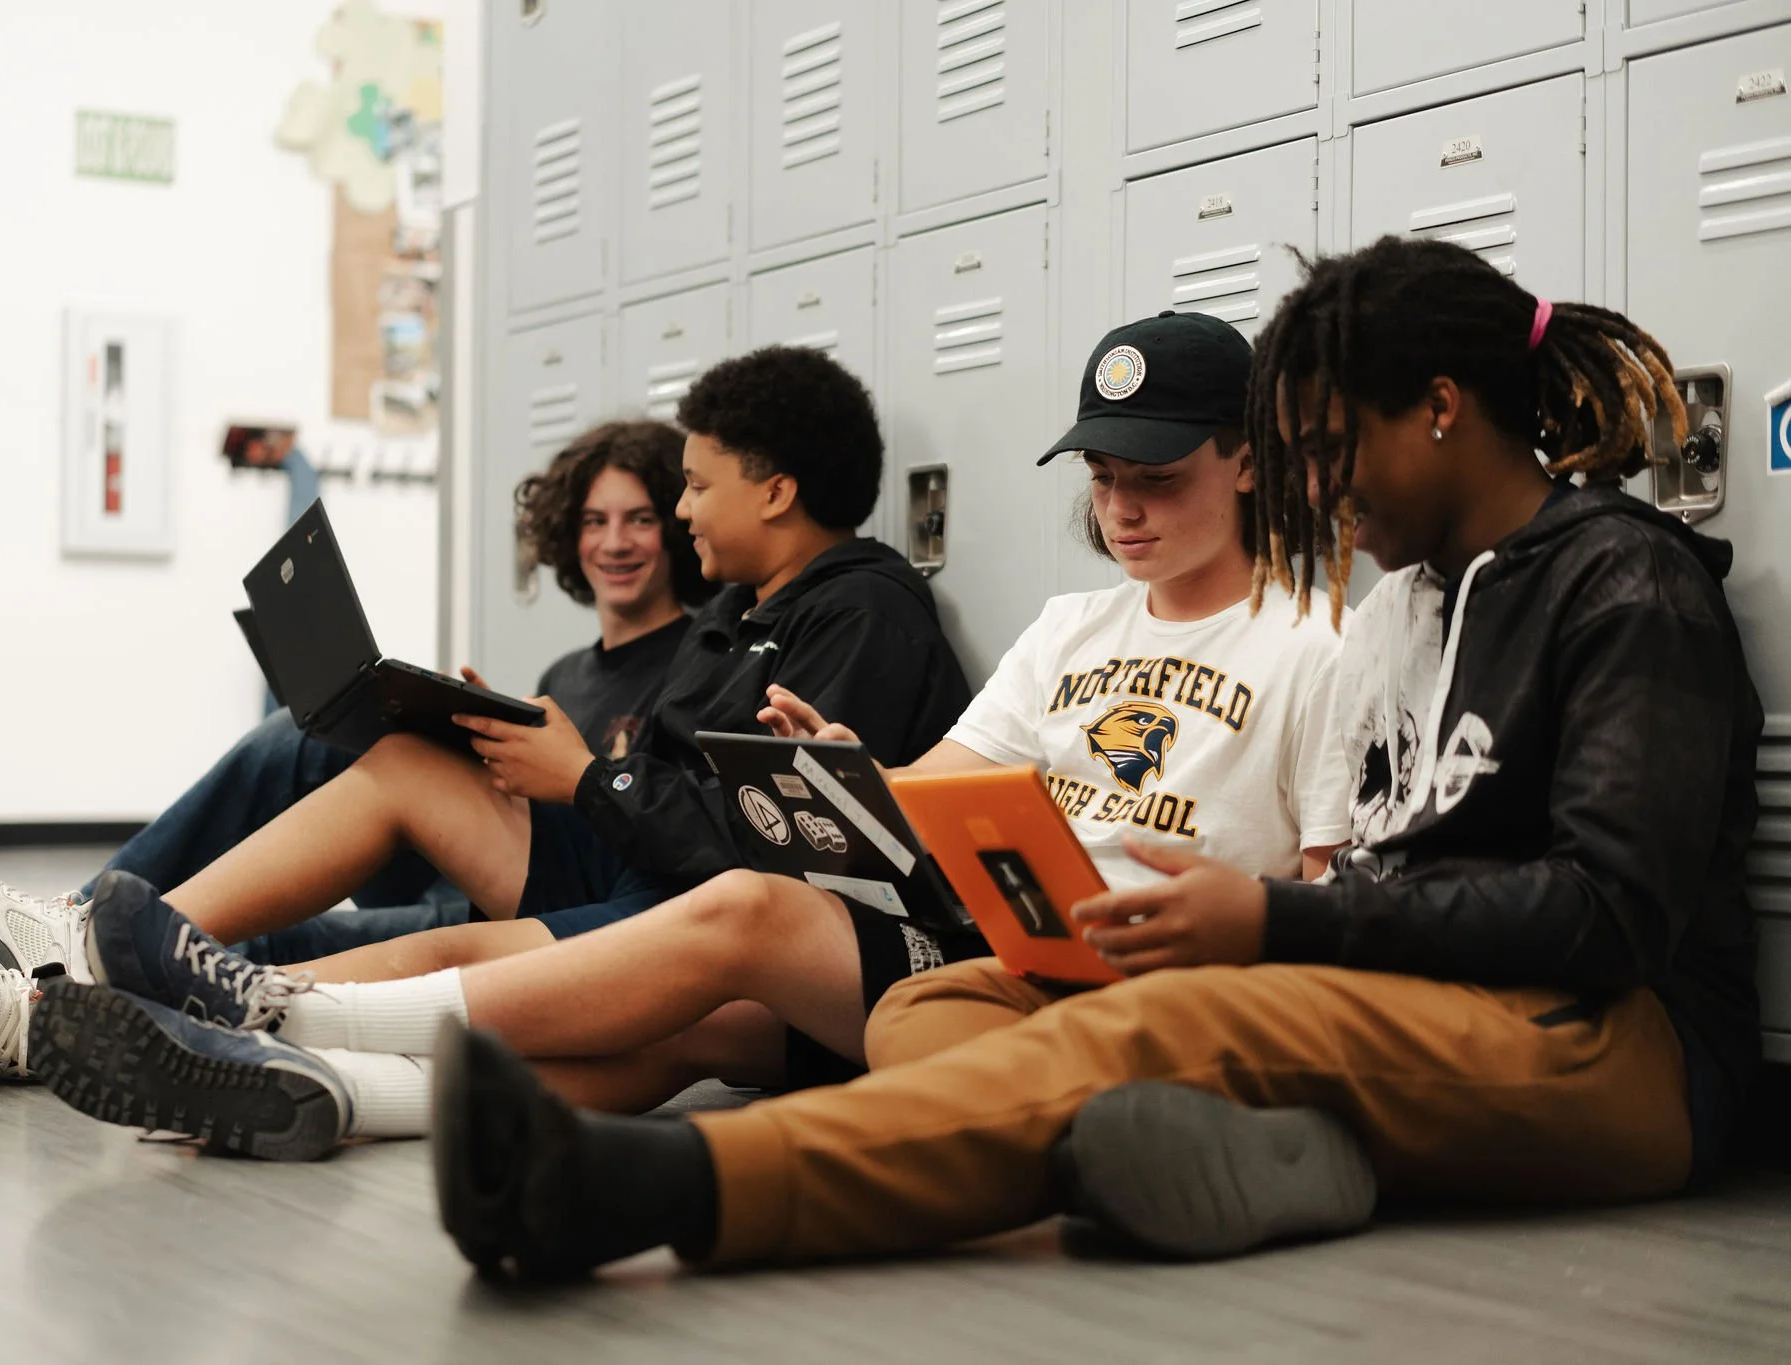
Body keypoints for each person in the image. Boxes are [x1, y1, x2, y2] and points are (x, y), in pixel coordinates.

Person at [424, 235, 1762, 1279]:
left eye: (1323, 446)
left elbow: (1606, 914)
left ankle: (648, 1190)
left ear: (1439, 409)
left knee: (1182, 1018)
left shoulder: (1621, 590)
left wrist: (1274, 920)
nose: (1312, 485)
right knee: (941, 1005)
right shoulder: (1408, 604)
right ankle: (1292, 1156)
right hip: (1433, 996)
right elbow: (1387, 863)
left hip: (1620, 1049)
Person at [14, 310, 1355, 1162]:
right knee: (688, 1022)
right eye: (1106, 478)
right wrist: (838, 769)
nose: (1123, 508)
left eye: (1158, 477)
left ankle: (270, 1007)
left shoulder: (1315, 642)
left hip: (1145, 980)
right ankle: (305, 1082)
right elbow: (930, 793)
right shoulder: (1073, 626)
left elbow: (1328, 896)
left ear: (1249, 462)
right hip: (989, 937)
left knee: (736, 933)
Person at [0, 349, 976, 1137]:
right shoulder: (732, 616)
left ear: (776, 491)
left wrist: (587, 779)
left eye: (692, 486)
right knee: (401, 764)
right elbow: (670, 792)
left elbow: (767, 851)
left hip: (704, 896)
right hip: (643, 862)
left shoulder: (862, 612)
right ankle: (72, 951)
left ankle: (56, 1017)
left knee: (441, 953)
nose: (681, 514)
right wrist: (547, 761)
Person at [0, 419, 711, 1048]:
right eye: (596, 520)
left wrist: (575, 770)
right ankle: (25, 952)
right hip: (476, 864)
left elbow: (651, 830)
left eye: (639, 518)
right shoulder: (566, 674)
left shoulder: (697, 661)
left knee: (258, 944)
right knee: (300, 740)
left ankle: (0, 992)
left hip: (545, 907)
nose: (616, 541)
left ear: (676, 528)